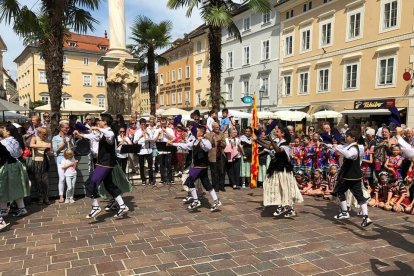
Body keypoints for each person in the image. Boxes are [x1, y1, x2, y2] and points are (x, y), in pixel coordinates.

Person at [84, 113, 129, 219]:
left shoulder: (109, 132)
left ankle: (95, 207)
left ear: (105, 122)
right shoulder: (102, 132)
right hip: (103, 162)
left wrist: (97, 128)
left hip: (105, 163)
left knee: (91, 182)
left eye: (99, 120)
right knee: (109, 185)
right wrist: (81, 135)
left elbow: (111, 135)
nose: (97, 121)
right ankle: (122, 206)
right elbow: (94, 137)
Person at [169, 125, 222, 211]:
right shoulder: (194, 141)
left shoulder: (205, 141)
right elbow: (185, 145)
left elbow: (208, 148)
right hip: (199, 166)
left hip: (201, 166)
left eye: (197, 131)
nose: (195, 132)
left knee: (189, 181)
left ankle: (196, 201)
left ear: (201, 132)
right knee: (206, 184)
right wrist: (172, 144)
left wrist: (201, 140)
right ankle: (216, 201)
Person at [256, 125, 303, 218]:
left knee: (283, 188)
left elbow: (278, 150)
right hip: (277, 168)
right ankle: (289, 209)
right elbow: (269, 147)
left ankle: (283, 206)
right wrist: (257, 140)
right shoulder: (278, 141)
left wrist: (270, 138)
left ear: (283, 133)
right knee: (277, 187)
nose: (275, 132)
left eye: (277, 131)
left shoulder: (285, 143)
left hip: (283, 170)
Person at [332, 130, 372, 227]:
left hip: (349, 176)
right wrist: (332, 146)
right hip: (355, 176)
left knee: (340, 191)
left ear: (353, 138)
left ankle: (345, 212)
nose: (346, 137)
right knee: (359, 196)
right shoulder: (350, 146)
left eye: (348, 136)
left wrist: (337, 148)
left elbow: (349, 154)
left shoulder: (354, 148)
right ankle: (366, 217)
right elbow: (342, 148)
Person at [0, 125, 30, 220]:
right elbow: (19, 153)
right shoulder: (16, 140)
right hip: (17, 165)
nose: (2, 131)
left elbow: (5, 155)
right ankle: (21, 208)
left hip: (7, 167)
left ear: (8, 132)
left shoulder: (4, 142)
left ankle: (4, 210)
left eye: (4, 130)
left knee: (3, 188)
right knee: (16, 187)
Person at [52, 120, 74, 203]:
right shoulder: (55, 138)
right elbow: (55, 150)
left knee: (70, 177)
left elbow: (73, 148)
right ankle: (61, 196)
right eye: (66, 128)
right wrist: (64, 143)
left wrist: (71, 142)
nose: (68, 129)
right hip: (60, 158)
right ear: (61, 128)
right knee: (62, 178)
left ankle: (69, 196)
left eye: (68, 128)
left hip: (70, 158)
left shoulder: (69, 136)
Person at [30, 126, 52, 205]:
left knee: (45, 181)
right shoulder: (35, 138)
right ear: (39, 133)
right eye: (43, 134)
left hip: (45, 161)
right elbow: (31, 145)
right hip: (36, 161)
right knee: (38, 181)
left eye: (46, 134)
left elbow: (50, 150)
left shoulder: (48, 140)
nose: (45, 136)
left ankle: (46, 198)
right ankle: (40, 198)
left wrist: (49, 151)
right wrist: (44, 146)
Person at [204, 122, 226, 192]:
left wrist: (220, 142)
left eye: (218, 127)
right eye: (215, 127)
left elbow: (224, 143)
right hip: (212, 155)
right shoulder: (208, 135)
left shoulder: (221, 134)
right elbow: (210, 143)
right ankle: (215, 186)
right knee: (214, 172)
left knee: (221, 171)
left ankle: (221, 185)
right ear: (212, 128)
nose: (217, 128)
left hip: (221, 154)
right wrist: (213, 138)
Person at [134, 118, 155, 186]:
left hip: (148, 150)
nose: (143, 126)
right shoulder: (137, 132)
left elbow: (152, 140)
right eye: (142, 124)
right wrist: (140, 136)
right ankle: (143, 180)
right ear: (140, 125)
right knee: (141, 166)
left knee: (150, 166)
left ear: (146, 124)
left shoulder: (149, 130)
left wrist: (147, 134)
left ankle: (151, 180)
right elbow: (134, 141)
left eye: (144, 124)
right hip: (141, 151)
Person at [156, 118, 175, 184]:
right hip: (160, 149)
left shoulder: (169, 129)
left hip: (168, 149)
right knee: (161, 165)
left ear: (166, 123)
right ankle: (162, 179)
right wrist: (158, 134)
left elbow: (173, 138)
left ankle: (170, 179)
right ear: (160, 123)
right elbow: (154, 140)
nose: (163, 124)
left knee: (169, 164)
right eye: (162, 123)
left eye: (164, 123)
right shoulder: (157, 130)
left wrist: (166, 132)